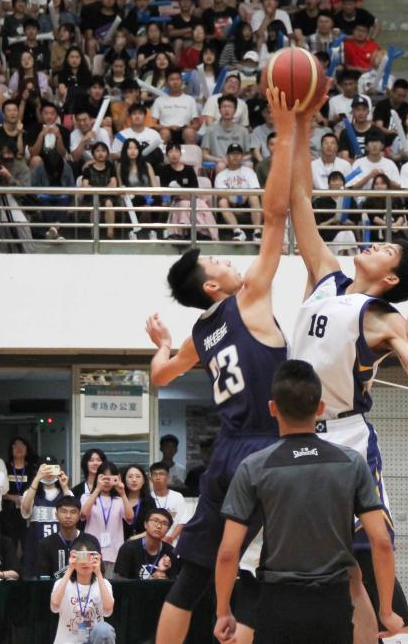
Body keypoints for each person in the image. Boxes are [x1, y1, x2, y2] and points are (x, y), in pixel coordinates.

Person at [146, 87, 299, 644]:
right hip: (270, 449)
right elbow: (275, 215)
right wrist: (284, 135)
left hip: (225, 454)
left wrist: (161, 343)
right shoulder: (248, 299)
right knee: (271, 572)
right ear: (213, 287)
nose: (228, 261)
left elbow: (160, 375)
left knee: (193, 576)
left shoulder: (199, 333)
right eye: (217, 261)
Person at [289, 90, 408, 644]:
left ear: (391, 278)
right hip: (295, 434)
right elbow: (299, 199)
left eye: (385, 251)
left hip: (347, 438)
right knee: (324, 569)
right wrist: (299, 127)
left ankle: (395, 631)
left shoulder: (382, 316)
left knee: (369, 555)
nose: (373, 246)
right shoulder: (325, 273)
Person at [213, 360, 403, 644]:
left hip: (277, 603)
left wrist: (223, 611)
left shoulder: (254, 466)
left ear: (272, 408)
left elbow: (229, 552)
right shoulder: (352, 462)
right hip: (334, 603)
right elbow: (381, 542)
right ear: (320, 408)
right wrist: (386, 610)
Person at [51, 536, 116, 644]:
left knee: (104, 629)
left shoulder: (103, 584)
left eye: (89, 557)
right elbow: (54, 605)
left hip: (93, 640)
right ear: (73, 558)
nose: (84, 562)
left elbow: (108, 610)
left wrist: (98, 572)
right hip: (67, 642)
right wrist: (70, 568)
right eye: (81, 557)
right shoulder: (62, 583)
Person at [20, 460, 75, 580]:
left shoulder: (65, 493)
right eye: (45, 468)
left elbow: (73, 512)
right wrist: (37, 479)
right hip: (35, 547)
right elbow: (25, 512)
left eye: (52, 468)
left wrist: (65, 486)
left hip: (60, 547)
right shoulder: (31, 493)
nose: (49, 472)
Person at [80, 460, 130, 576]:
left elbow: (130, 518)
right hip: (91, 551)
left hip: (115, 552)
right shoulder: (86, 497)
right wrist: (97, 489)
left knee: (111, 585)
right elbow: (83, 515)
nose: (107, 482)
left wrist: (123, 493)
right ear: (98, 477)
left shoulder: (119, 500)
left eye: (110, 478)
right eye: (104, 478)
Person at [36, 495, 100, 580]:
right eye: (64, 511)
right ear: (56, 515)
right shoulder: (46, 544)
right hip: (54, 587)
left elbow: (97, 573)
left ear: (79, 515)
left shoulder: (90, 541)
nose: (68, 516)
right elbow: (44, 577)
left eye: (73, 512)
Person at [115, 508, 180, 580]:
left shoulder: (171, 552)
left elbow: (174, 582)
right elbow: (120, 581)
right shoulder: (128, 548)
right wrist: (152, 579)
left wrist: (164, 578)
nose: (159, 526)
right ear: (145, 524)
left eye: (164, 523)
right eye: (155, 521)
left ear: (168, 530)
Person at [149, 462, 185, 542]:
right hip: (152, 542)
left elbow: (182, 521)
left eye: (161, 474)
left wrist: (171, 538)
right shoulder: (148, 498)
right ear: (150, 479)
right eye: (155, 474)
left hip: (173, 542)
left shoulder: (178, 497)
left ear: (168, 477)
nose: (158, 477)